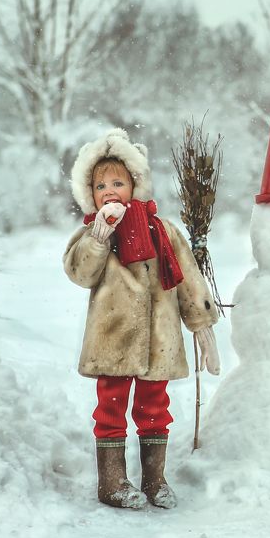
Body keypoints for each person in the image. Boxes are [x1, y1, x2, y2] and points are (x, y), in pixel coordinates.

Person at [64, 128, 220, 509]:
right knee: (111, 408)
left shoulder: (163, 231)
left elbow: (187, 278)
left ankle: (155, 479)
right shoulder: (92, 234)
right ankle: (112, 481)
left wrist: (201, 326)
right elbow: (80, 273)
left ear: (136, 185)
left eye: (119, 182)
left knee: (154, 408)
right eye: (101, 186)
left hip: (158, 339)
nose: (110, 191)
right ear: (90, 195)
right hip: (113, 338)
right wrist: (100, 236)